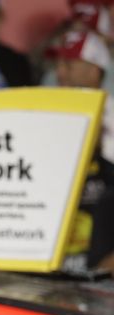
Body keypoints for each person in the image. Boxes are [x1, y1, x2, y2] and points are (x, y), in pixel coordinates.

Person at [53, 30, 114, 272]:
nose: (60, 73)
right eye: (58, 64)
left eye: (69, 64)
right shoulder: (50, 111)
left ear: (94, 70)